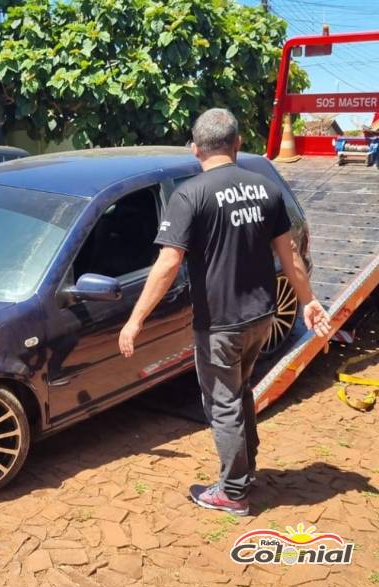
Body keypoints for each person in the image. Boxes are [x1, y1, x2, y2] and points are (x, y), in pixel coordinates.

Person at [118, 108, 331, 517]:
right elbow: (290, 258)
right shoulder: (265, 189)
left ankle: (233, 492)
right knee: (240, 390)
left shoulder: (189, 195)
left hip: (220, 323)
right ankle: (245, 468)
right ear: (236, 144)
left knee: (223, 403)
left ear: (195, 149)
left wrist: (136, 320)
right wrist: (308, 301)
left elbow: (167, 265)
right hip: (261, 317)